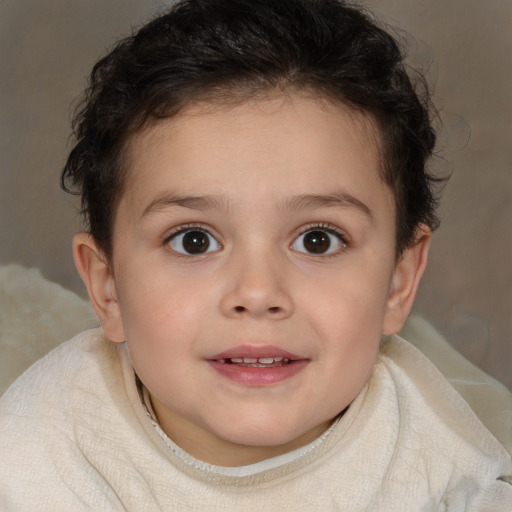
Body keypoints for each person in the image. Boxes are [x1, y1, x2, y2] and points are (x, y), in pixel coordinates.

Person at [0, 0, 511, 509]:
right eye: (193, 240)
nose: (258, 292)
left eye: (318, 239)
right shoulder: (41, 450)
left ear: (398, 281)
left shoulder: (438, 466)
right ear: (107, 286)